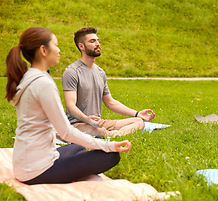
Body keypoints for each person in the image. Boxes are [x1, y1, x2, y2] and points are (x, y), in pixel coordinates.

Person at [5, 27, 131, 185]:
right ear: (43, 50)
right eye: (56, 45)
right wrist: (109, 145)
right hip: (38, 171)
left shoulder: (29, 76)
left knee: (78, 148)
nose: (59, 50)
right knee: (111, 155)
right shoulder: (43, 83)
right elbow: (65, 131)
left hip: (24, 164)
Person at [62, 27, 155, 138]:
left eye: (97, 40)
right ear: (81, 46)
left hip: (99, 123)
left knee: (139, 122)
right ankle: (113, 135)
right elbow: (70, 106)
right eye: (92, 41)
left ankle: (113, 135)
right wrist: (87, 119)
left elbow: (110, 102)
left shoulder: (100, 72)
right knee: (98, 131)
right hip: (77, 124)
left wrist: (137, 113)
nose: (98, 44)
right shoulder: (72, 72)